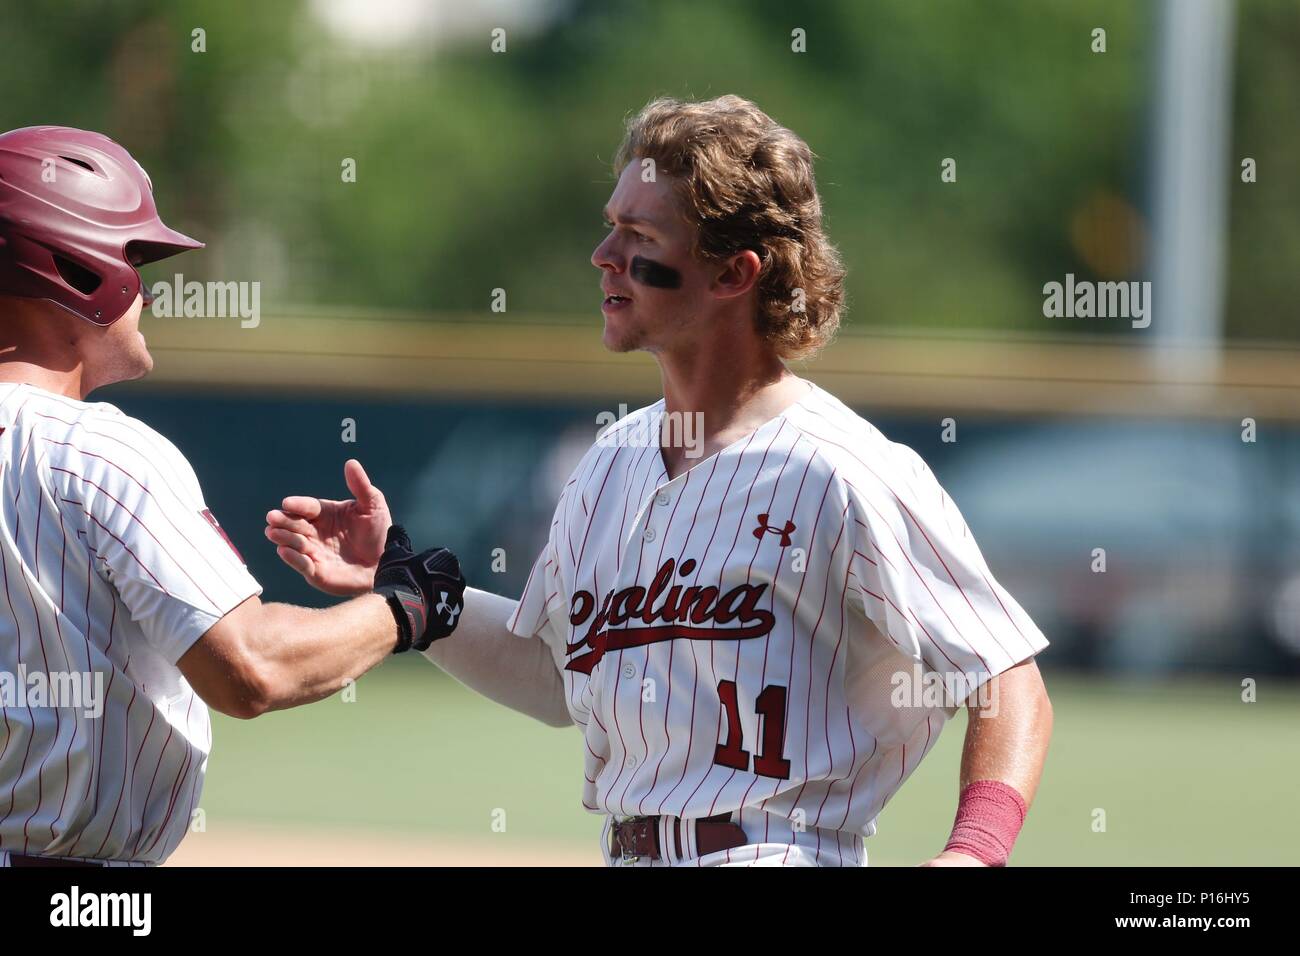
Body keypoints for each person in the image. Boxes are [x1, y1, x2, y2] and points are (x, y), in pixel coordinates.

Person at [268, 95, 1054, 867]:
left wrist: (975, 854)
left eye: (639, 234)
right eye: (612, 225)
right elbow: (552, 674)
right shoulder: (609, 463)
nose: (604, 255)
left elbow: (1007, 676)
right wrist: (403, 578)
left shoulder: (842, 470)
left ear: (733, 273)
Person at [0, 126, 466, 866]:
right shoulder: (97, 452)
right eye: (133, 257)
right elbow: (252, 668)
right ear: (74, 268)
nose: (146, 288)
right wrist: (408, 605)